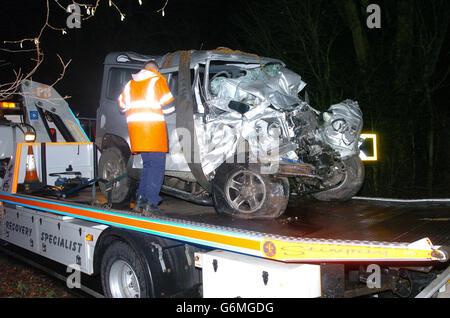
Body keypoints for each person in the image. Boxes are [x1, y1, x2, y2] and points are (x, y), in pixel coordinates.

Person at [118, 61, 175, 216]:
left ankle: (139, 202)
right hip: (153, 132)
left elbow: (122, 105)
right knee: (156, 168)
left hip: (138, 134)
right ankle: (150, 204)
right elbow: (169, 106)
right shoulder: (157, 80)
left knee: (148, 167)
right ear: (156, 70)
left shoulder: (130, 84)